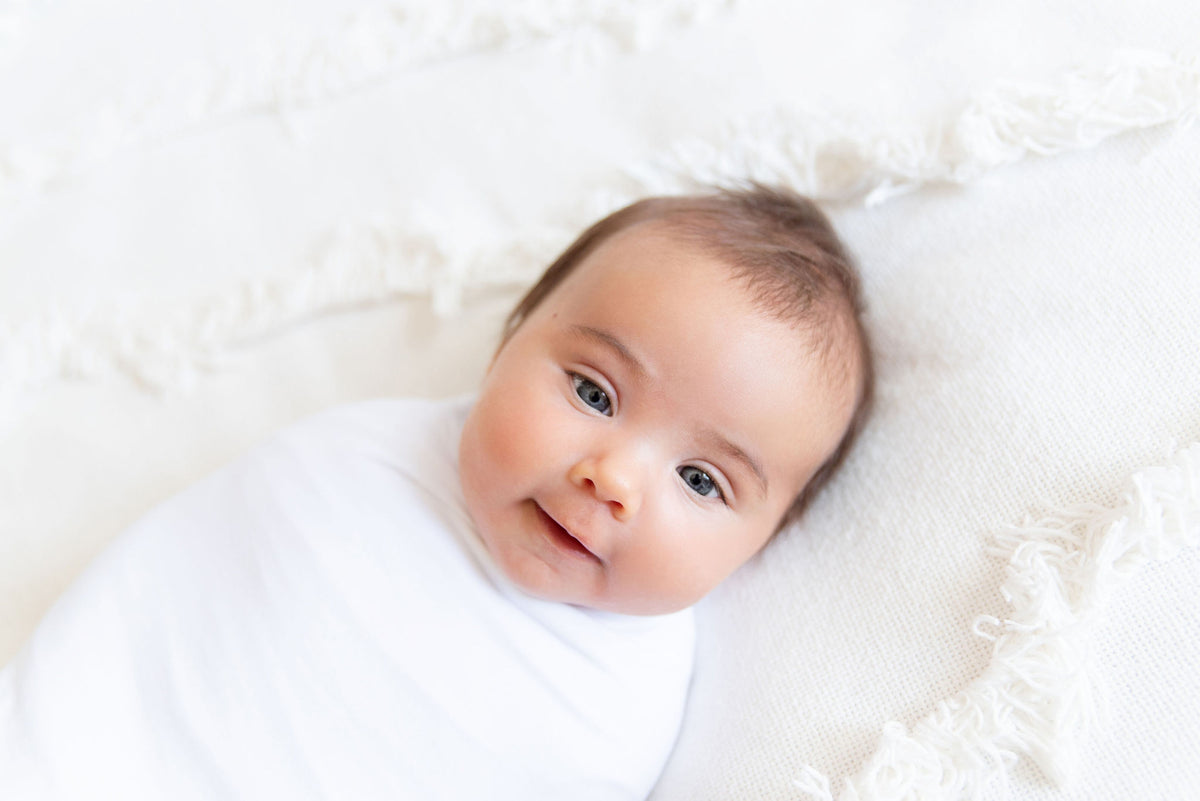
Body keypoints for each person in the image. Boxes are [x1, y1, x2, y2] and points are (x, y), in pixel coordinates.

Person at [0, 185, 872, 800]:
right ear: (509, 340)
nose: (611, 478)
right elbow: (184, 593)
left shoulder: (625, 706)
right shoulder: (358, 463)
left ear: (764, 538)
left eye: (700, 480)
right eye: (593, 392)